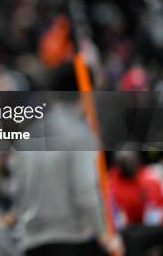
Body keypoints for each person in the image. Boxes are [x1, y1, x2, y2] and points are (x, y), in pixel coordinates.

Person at [10, 63, 123, 256]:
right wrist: (106, 235)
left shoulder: (31, 133)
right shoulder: (82, 135)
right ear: (87, 92)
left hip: (32, 243)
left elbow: (18, 189)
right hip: (71, 241)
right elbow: (85, 193)